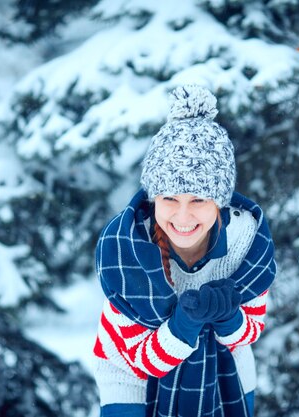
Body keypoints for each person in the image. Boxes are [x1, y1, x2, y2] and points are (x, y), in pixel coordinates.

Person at [92, 85, 276, 417]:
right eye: (170, 199)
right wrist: (185, 323)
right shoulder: (130, 251)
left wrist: (229, 317)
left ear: (219, 202)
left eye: (198, 200)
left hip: (225, 369)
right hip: (132, 370)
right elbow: (144, 359)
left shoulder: (244, 243)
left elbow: (251, 330)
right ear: (153, 199)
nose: (182, 216)